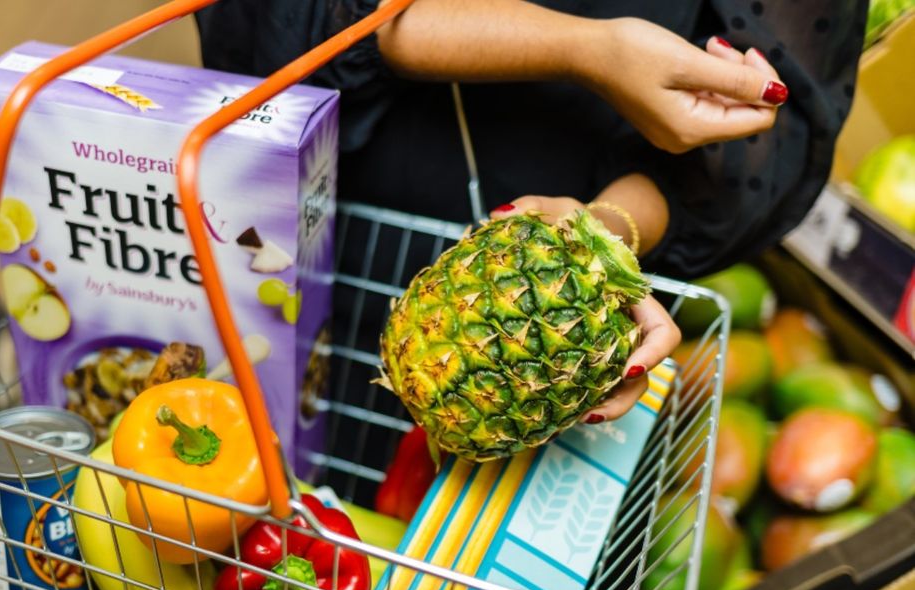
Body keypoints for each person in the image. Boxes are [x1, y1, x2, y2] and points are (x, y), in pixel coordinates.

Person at [195, 0, 865, 421]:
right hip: (332, 208)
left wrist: (608, 228)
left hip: (565, 266)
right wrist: (583, 47)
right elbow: (263, 16)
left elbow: (779, 124)